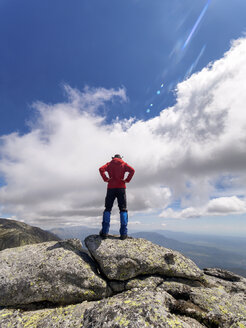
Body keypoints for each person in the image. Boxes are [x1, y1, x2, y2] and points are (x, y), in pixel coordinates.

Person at [99, 154, 135, 240]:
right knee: (123, 209)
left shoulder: (109, 164)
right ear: (120, 158)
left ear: (113, 158)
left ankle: (104, 232)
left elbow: (101, 169)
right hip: (121, 188)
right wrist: (127, 180)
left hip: (111, 188)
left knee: (108, 208)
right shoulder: (124, 164)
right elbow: (132, 170)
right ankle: (123, 234)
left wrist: (106, 179)